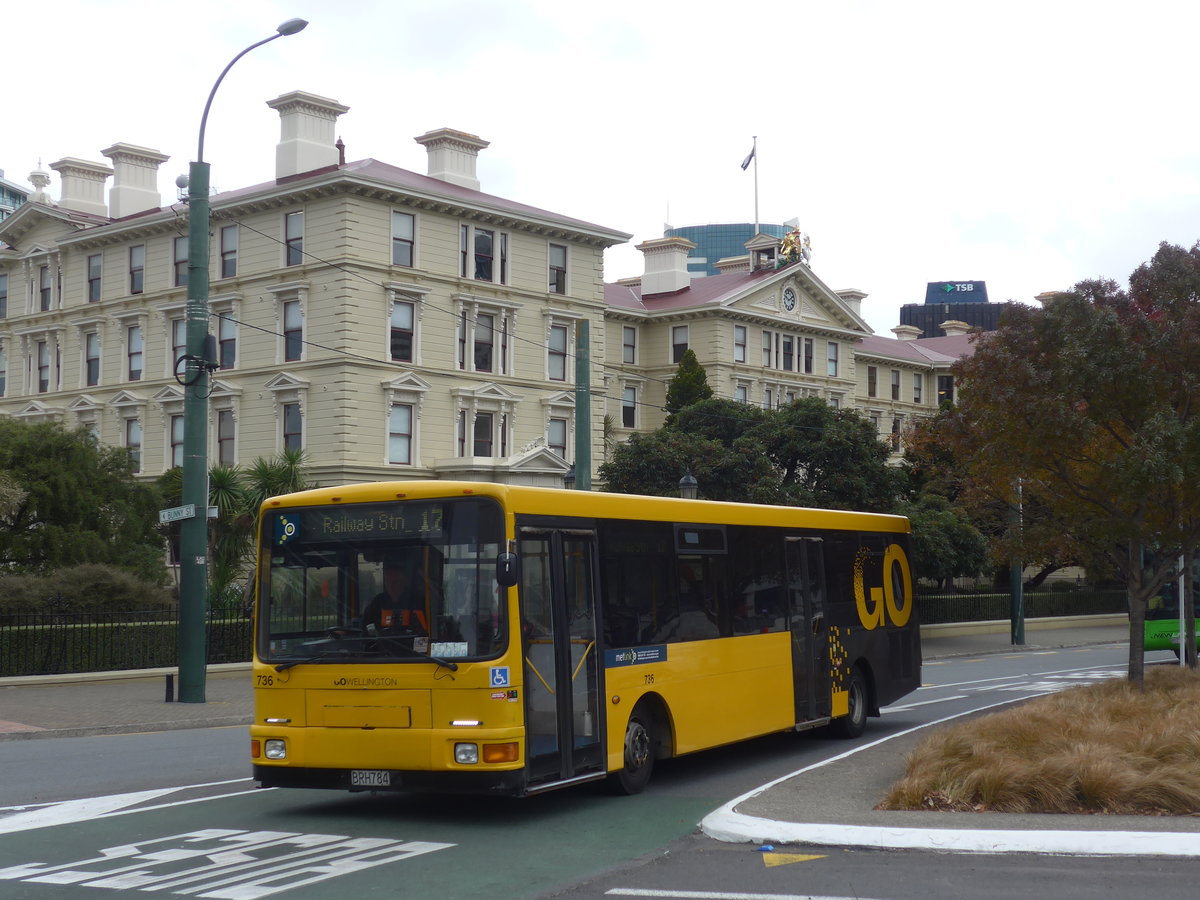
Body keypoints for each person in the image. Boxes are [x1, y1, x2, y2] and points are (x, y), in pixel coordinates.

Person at [359, 555, 428, 634]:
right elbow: (364, 629)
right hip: (380, 645)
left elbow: (425, 632)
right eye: (388, 581)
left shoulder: (418, 602)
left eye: (396, 582)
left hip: (411, 645)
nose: (391, 586)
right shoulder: (377, 603)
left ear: (404, 581)